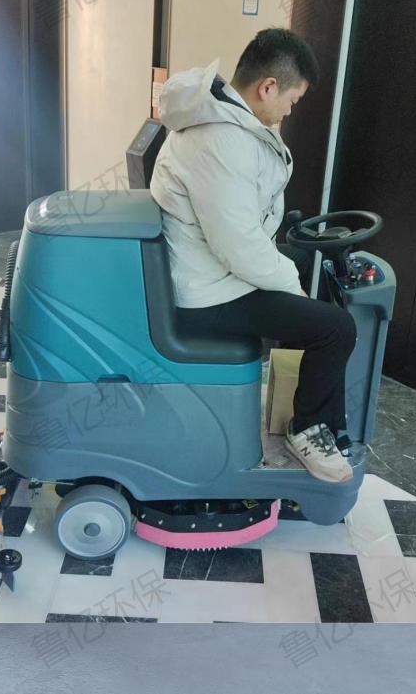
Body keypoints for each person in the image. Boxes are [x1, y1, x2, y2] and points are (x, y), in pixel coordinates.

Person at [149, 28, 355, 484]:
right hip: (207, 297)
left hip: (208, 271)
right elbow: (238, 248)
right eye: (292, 101)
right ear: (268, 87)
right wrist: (293, 289)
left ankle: (315, 402)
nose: (288, 111)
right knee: (336, 328)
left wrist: (288, 274)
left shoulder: (223, 121)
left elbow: (238, 234)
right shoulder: (221, 140)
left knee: (302, 266)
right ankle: (308, 429)